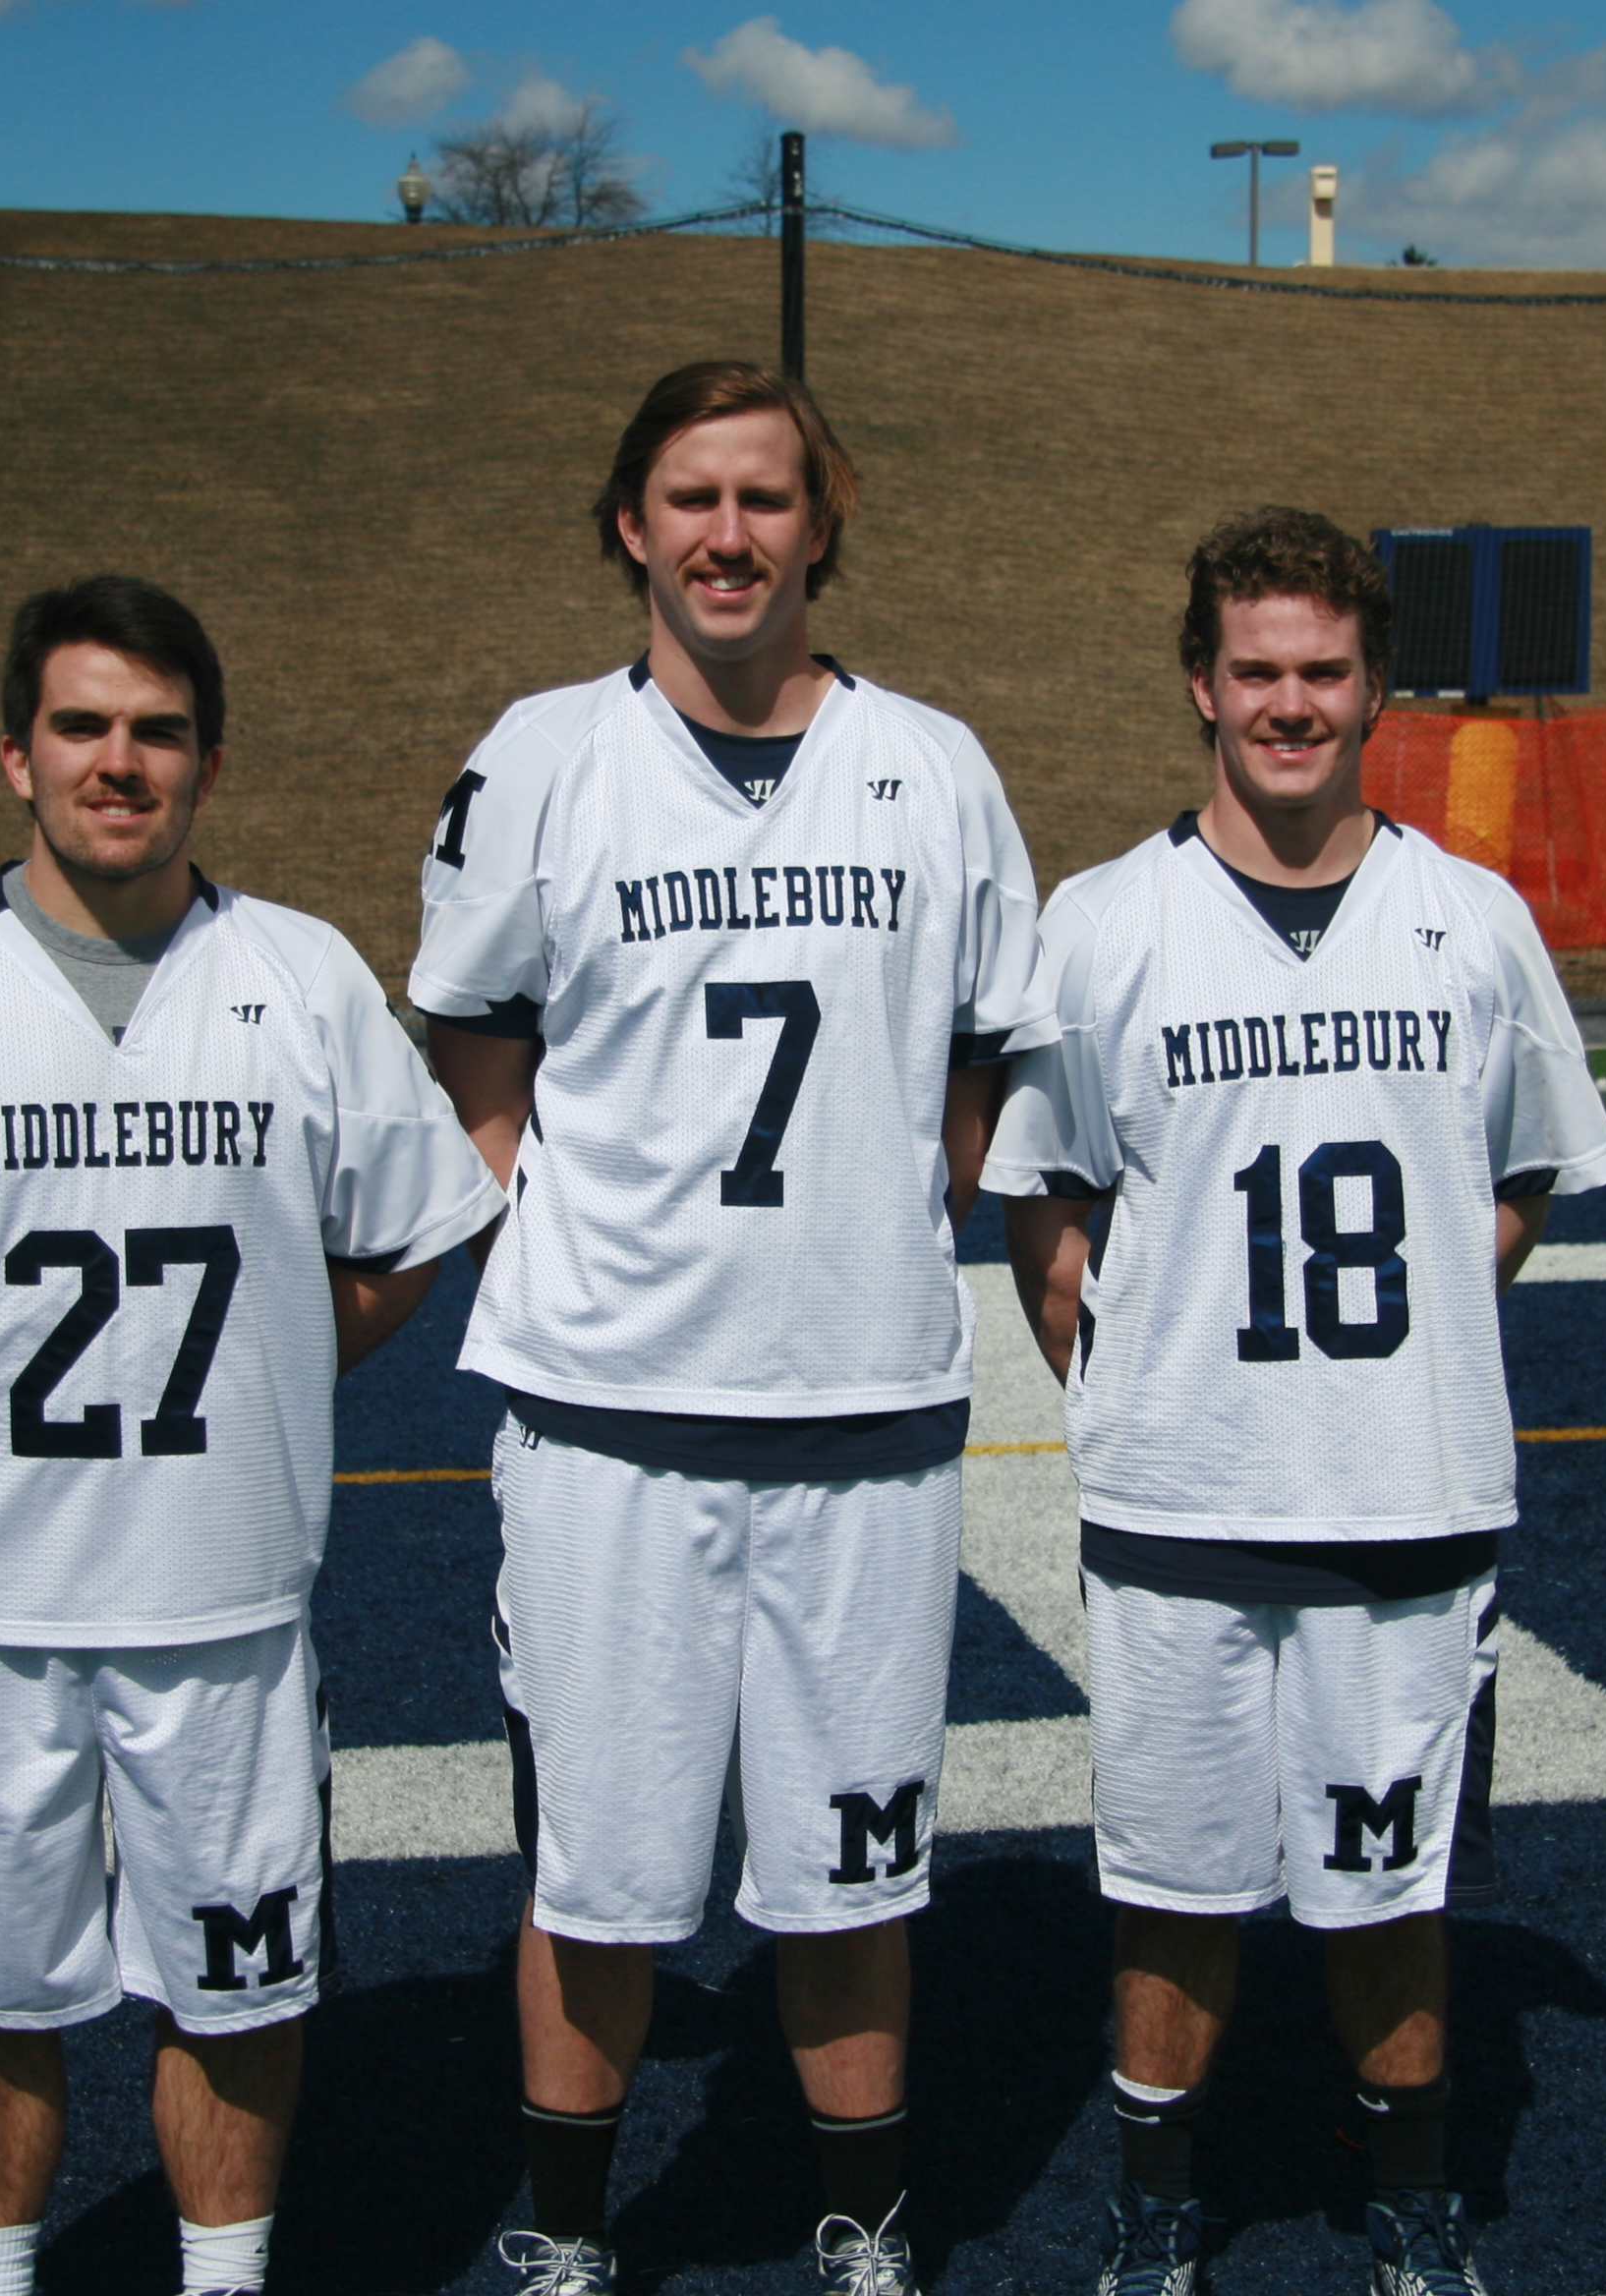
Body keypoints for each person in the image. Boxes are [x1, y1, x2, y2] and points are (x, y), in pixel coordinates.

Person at [0, 575, 503, 2296]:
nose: (118, 762)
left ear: (210, 760)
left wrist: (274, 1363)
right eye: (81, 726)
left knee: (241, 1984)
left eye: (158, 731)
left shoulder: (297, 969)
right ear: (17, 755)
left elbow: (413, 1231)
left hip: (223, 1598)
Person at [410, 361, 1056, 2296]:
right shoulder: (544, 755)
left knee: (853, 1869)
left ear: (819, 526)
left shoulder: (931, 762)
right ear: (632, 524)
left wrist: (898, 1220)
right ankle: (568, 2231)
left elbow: (985, 1049)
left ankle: (861, 2217)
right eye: (691, 497)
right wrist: (561, 1220)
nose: (727, 534)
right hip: (608, 1416)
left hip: (860, 1408)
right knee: (598, 1871)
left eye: (766, 498)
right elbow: (474, 1035)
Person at [981, 510, 1606, 2296]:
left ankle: (1410, 2201)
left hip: (1407, 1496)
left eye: (1323, 673)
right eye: (1255, 670)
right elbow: (1046, 1200)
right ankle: (1157, 2207)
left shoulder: (1472, 921)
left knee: (1390, 1886)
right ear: (1201, 684)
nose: (1289, 705)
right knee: (1171, 1884)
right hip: (1182, 1506)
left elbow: (1521, 1176)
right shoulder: (1106, 923)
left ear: (1375, 689)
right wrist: (1136, 1384)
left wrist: (1413, 1344)